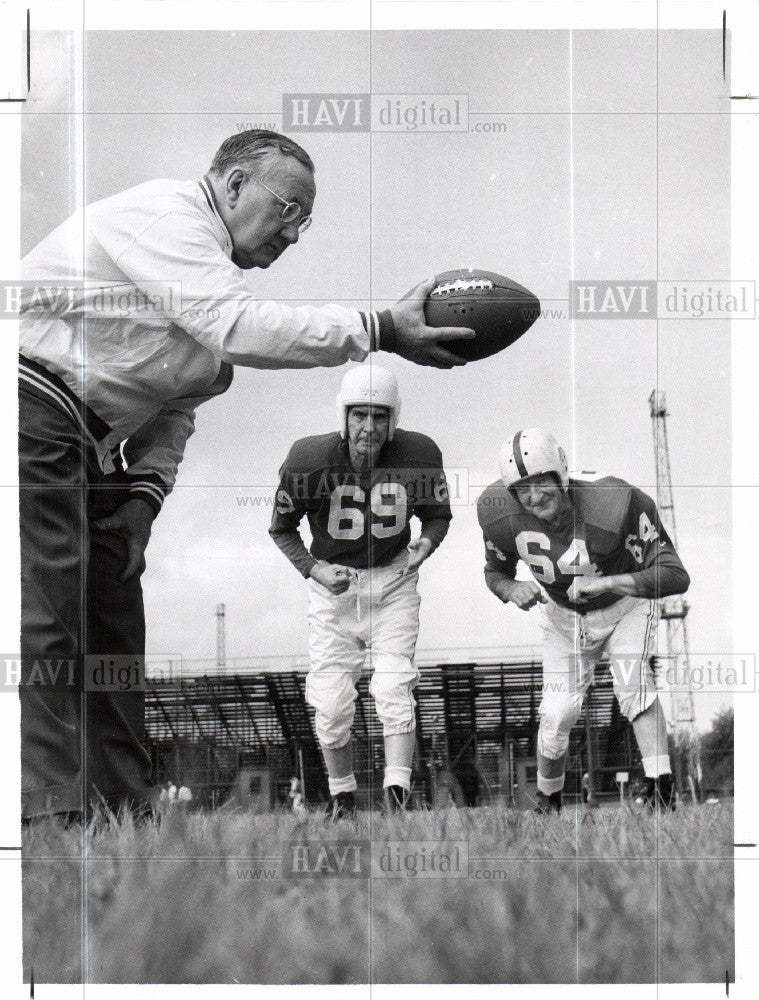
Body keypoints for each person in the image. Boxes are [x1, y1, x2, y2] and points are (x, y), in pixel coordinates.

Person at [18, 128, 473, 823]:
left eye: (305, 219)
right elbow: (236, 325)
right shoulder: (168, 215)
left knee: (111, 619)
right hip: (27, 397)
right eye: (287, 208)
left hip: (91, 442)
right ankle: (46, 806)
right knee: (52, 606)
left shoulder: (206, 306)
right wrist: (378, 325)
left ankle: (117, 806)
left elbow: (173, 418)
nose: (294, 233)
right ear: (232, 186)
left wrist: (144, 500)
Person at [269, 365, 451, 818]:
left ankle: (397, 795)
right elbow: (281, 529)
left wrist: (424, 545)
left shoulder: (419, 453)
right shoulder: (308, 460)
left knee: (393, 685)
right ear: (344, 416)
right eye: (359, 416)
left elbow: (437, 515)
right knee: (330, 701)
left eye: (379, 416)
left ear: (394, 420)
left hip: (393, 580)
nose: (368, 427)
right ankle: (342, 797)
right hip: (335, 587)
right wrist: (314, 570)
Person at [476, 428, 690, 813]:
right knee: (558, 713)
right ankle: (548, 799)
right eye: (523, 488)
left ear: (561, 472)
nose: (535, 496)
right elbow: (495, 571)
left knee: (633, 683)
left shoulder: (617, 501)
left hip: (625, 607)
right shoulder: (498, 513)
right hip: (562, 619)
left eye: (542, 482)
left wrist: (608, 581)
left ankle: (662, 789)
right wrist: (511, 589)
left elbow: (675, 574)